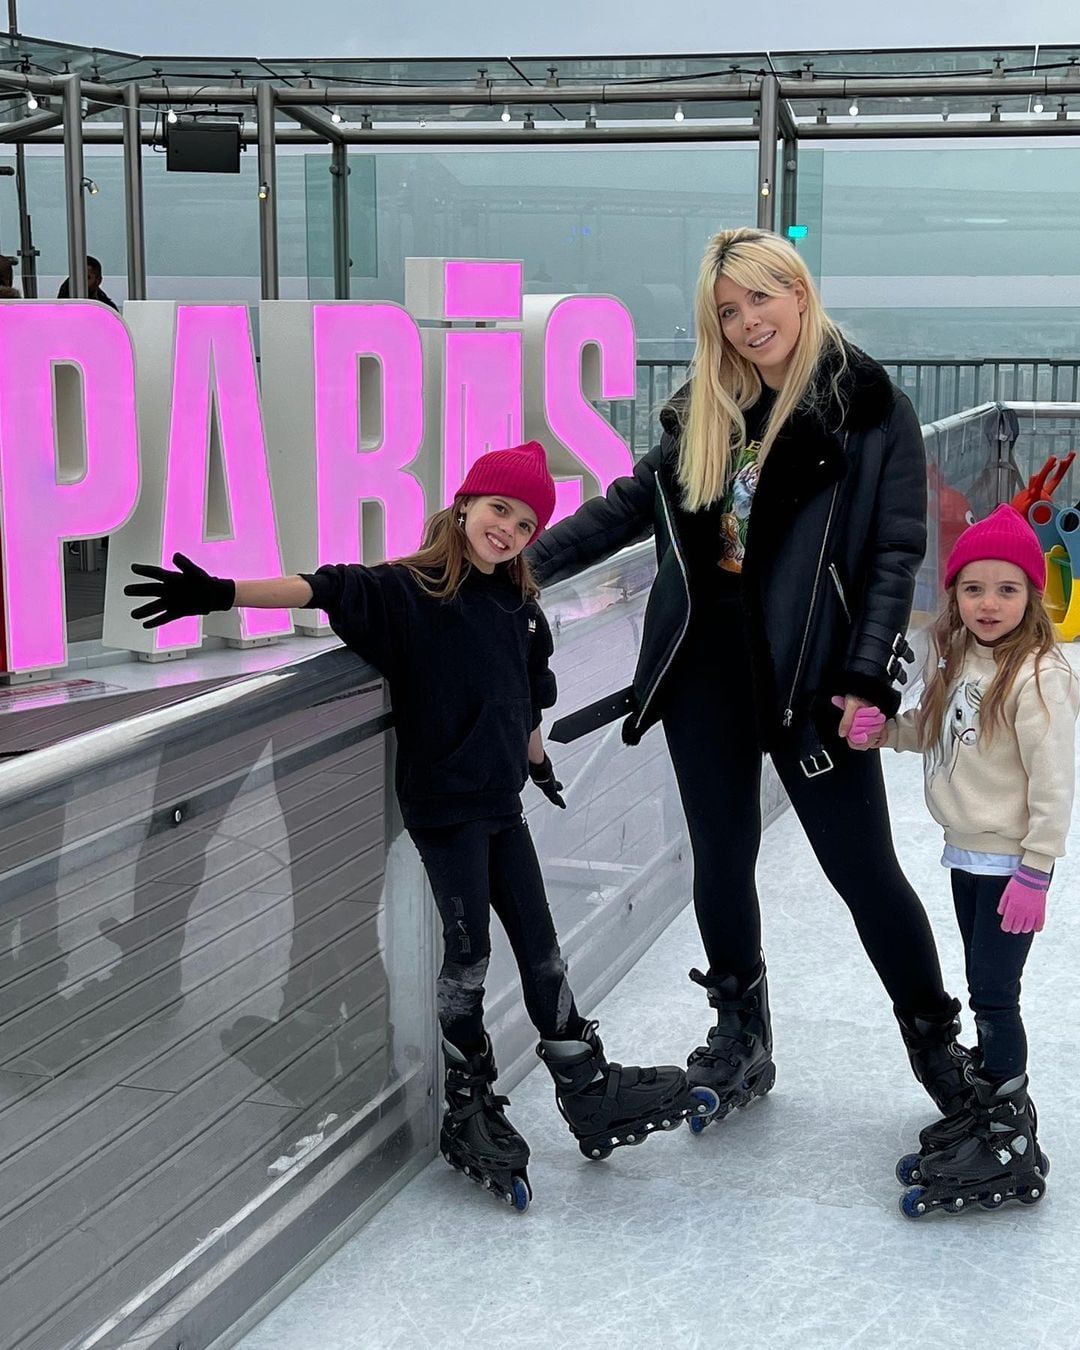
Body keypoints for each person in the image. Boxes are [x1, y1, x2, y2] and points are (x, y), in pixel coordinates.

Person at [123, 441, 717, 1214]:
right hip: (445, 811)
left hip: (502, 807)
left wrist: (536, 761)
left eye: (527, 521)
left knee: (541, 950)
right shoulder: (409, 592)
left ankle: (586, 1085)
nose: (508, 528)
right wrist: (223, 591)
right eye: (499, 508)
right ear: (465, 503)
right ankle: (469, 1101)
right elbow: (323, 586)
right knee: (468, 956)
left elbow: (525, 695)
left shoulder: (518, 606)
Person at [527, 226, 969, 1123]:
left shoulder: (869, 405)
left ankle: (937, 1046)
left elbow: (894, 552)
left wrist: (866, 677)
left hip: (812, 676)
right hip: (707, 672)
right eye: (727, 311)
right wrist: (512, 568)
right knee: (722, 859)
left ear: (799, 293)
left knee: (863, 868)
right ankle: (742, 1031)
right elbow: (625, 509)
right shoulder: (708, 413)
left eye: (760, 299)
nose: (745, 322)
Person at [845, 505, 1078, 1217]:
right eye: (973, 588)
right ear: (954, 594)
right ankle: (988, 1109)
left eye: (1007, 589)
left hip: (1012, 866)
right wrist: (881, 732)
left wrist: (1037, 870)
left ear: (1031, 596)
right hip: (967, 855)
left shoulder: (1040, 676)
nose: (988, 604)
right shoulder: (956, 658)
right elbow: (933, 734)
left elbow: (1054, 783)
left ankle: (1009, 1131)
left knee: (995, 995)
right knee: (981, 982)